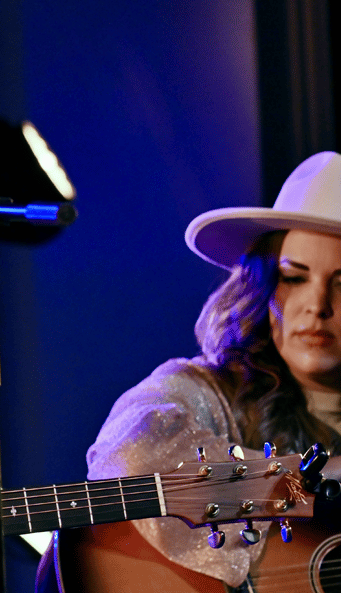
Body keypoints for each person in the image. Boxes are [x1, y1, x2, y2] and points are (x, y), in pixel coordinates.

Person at [81, 150, 341, 589]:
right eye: (294, 277)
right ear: (262, 284)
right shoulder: (202, 389)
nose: (318, 306)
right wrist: (317, 479)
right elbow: (129, 458)